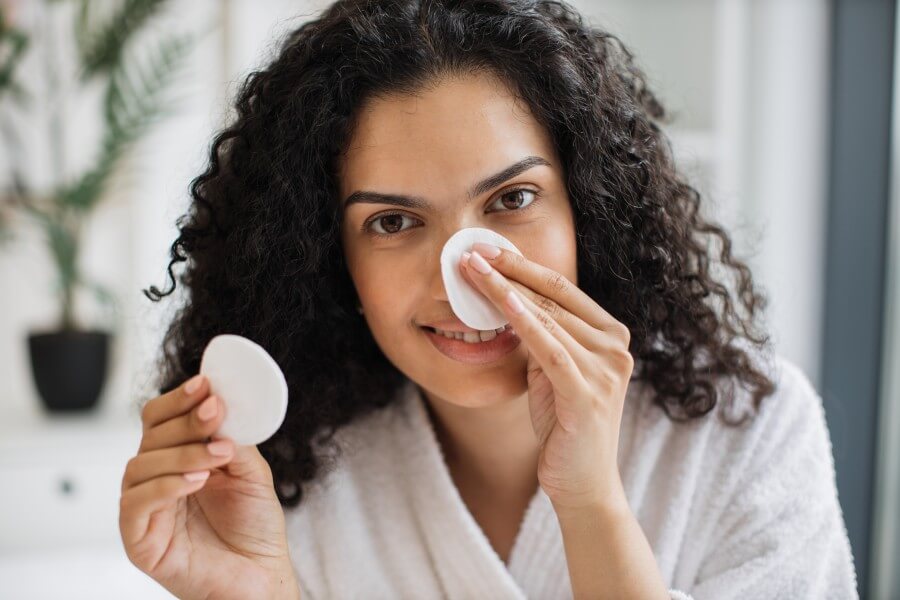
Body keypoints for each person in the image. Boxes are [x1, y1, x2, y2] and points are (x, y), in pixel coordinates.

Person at [118, 1, 859, 598]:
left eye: (513, 198)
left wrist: (591, 503)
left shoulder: (746, 435)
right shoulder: (281, 478)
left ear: (589, 210)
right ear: (327, 258)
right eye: (394, 221)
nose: (465, 279)